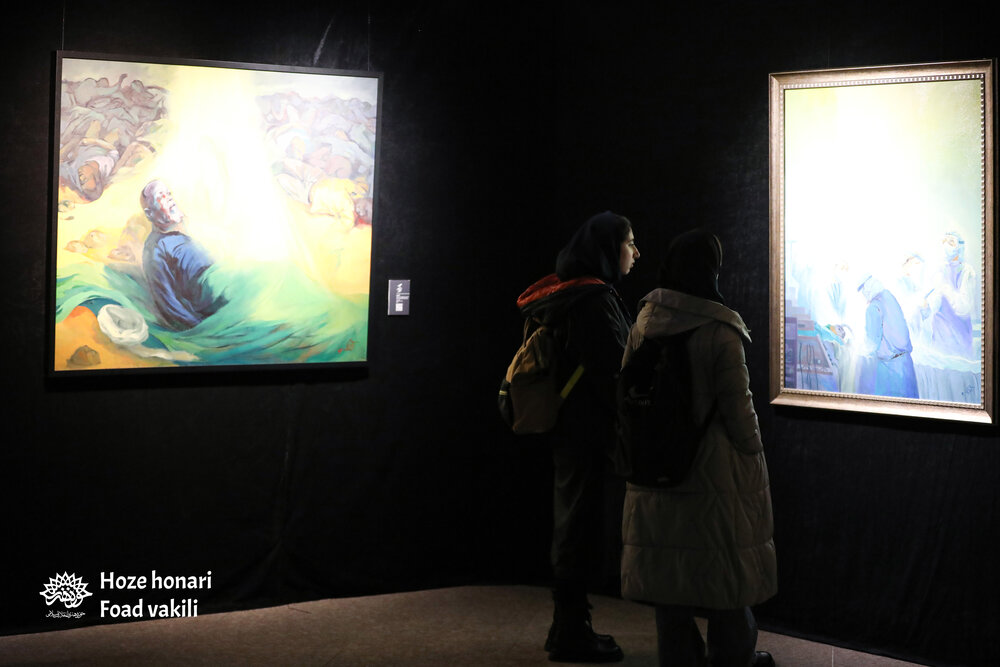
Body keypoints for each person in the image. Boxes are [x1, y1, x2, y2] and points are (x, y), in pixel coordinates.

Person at [619, 229, 777, 667]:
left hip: (654, 467)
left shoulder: (643, 325)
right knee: (725, 575)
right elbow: (739, 410)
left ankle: (679, 658)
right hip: (713, 473)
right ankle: (733, 658)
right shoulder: (720, 330)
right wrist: (754, 453)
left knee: (669, 582)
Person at [515, 211, 639, 662]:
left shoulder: (570, 293)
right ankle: (572, 632)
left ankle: (567, 626)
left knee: (573, 521)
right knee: (582, 527)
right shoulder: (593, 300)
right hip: (590, 431)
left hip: (571, 429)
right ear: (607, 249)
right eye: (629, 242)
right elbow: (614, 370)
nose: (636, 252)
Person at [140, 180, 227, 330]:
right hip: (213, 311)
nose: (169, 199)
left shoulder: (183, 232)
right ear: (149, 213)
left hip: (226, 292)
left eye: (168, 194)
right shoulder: (155, 249)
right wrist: (201, 328)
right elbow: (168, 303)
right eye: (161, 197)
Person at [856, 275, 918, 398]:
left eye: (863, 289)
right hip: (906, 364)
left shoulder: (873, 307)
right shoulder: (889, 296)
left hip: (889, 368)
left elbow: (872, 343)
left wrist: (858, 351)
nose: (863, 294)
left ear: (868, 287)